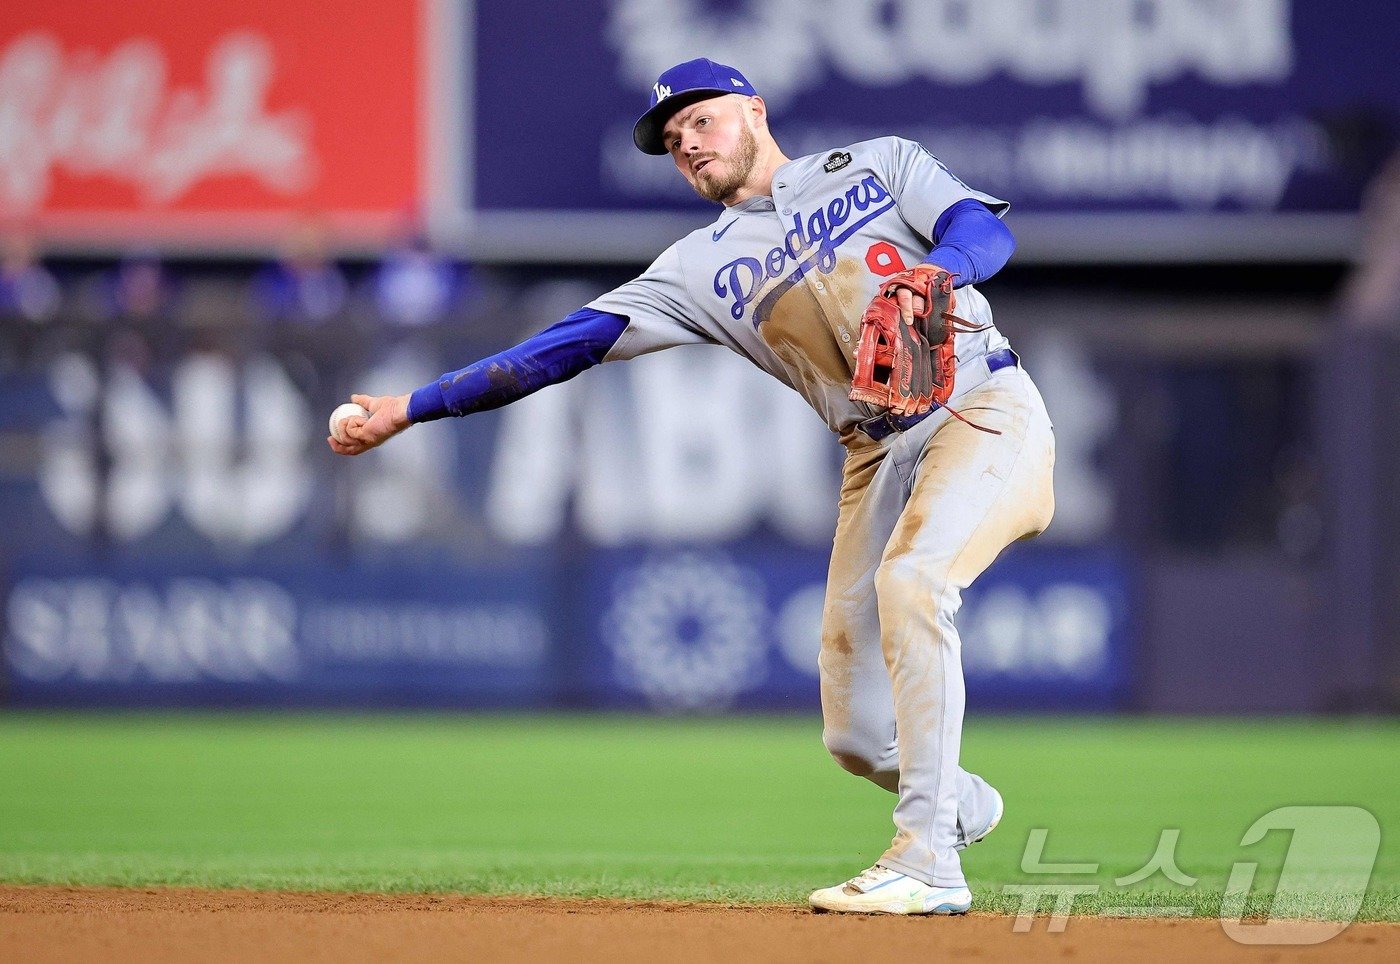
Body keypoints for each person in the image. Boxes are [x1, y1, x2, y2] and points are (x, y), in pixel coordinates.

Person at [330, 58, 1055, 916]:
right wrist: (411, 407)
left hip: (982, 405)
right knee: (856, 736)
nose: (687, 146)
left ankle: (929, 859)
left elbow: (983, 231)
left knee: (915, 581)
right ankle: (958, 804)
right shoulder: (694, 268)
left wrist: (943, 272)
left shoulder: (879, 165)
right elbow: (556, 350)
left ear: (753, 109)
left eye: (700, 122)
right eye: (672, 142)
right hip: (875, 456)